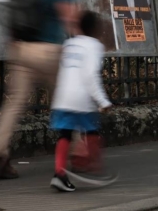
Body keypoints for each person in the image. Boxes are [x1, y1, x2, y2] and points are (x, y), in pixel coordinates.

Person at [0, 0, 77, 180]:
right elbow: (68, 17)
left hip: (21, 49)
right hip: (49, 51)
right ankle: (79, 152)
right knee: (65, 100)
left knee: (14, 104)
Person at [50, 10, 116, 192]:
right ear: (95, 29)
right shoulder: (94, 46)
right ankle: (93, 166)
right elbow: (90, 75)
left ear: (78, 26)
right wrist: (102, 100)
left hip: (63, 97)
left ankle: (59, 174)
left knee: (65, 134)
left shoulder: (69, 44)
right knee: (92, 131)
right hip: (81, 99)